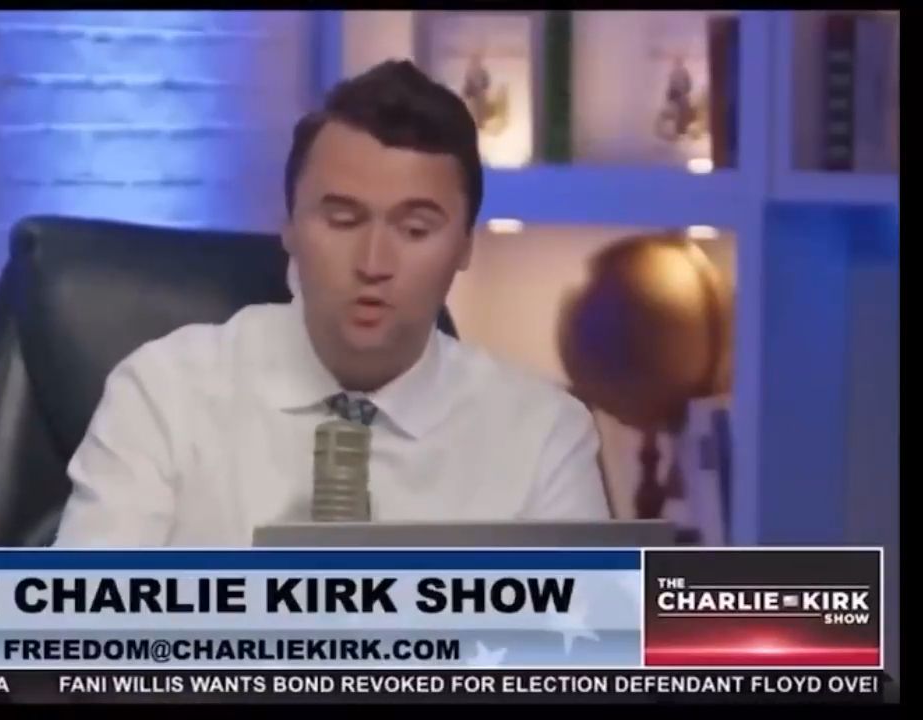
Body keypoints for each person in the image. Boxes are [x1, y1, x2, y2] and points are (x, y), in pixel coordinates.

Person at [54, 60, 609, 548]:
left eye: (415, 230)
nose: (373, 262)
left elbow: (599, 632)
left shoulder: (543, 435)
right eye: (343, 221)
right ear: (290, 228)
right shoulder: (164, 395)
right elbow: (73, 622)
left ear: (465, 245)